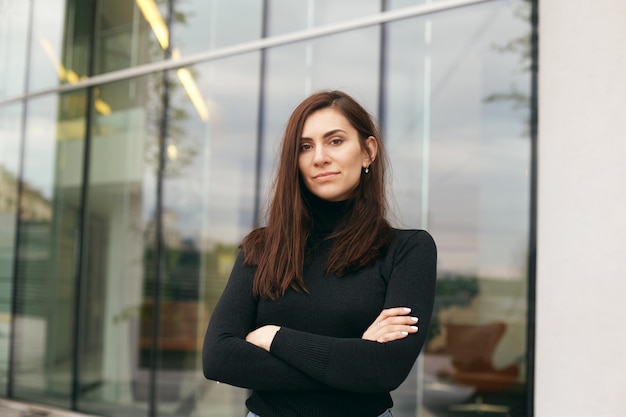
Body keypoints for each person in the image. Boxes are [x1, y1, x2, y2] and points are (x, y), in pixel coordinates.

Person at [203, 90, 437, 417]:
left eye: (335, 141)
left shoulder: (408, 251)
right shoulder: (261, 248)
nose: (319, 157)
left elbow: (385, 369)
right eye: (305, 146)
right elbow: (219, 358)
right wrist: (355, 358)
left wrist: (274, 338)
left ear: (368, 151)